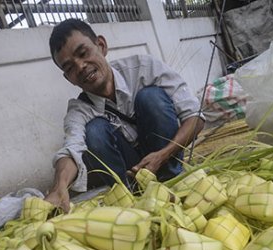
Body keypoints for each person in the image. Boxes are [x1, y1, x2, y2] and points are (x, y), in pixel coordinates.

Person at [44, 19, 205, 212]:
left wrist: (162, 156)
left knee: (150, 97)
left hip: (165, 158)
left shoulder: (143, 68)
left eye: (83, 53)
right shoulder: (79, 110)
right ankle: (130, 199)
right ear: (68, 78)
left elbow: (195, 118)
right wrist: (58, 188)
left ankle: (172, 180)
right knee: (93, 130)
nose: (80, 66)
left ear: (101, 45)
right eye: (69, 67)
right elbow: (71, 149)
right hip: (131, 174)